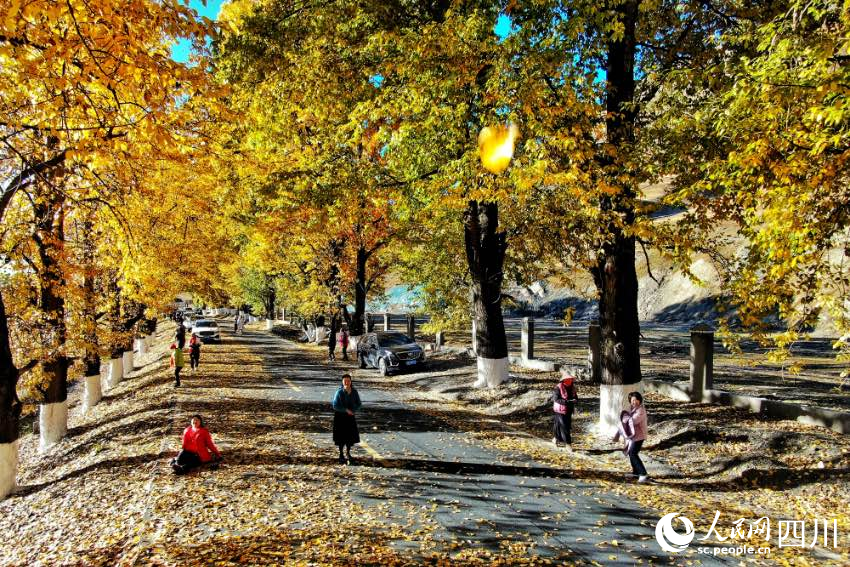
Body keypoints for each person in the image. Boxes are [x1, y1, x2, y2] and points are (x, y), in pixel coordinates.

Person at [615, 391, 649, 483]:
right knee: (631, 453)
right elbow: (627, 419)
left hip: (640, 436)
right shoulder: (632, 409)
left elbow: (633, 421)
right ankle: (636, 472)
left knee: (633, 453)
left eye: (636, 400)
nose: (634, 402)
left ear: (640, 400)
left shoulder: (640, 410)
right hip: (633, 436)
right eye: (632, 400)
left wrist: (624, 420)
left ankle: (643, 474)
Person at [331, 374, 361, 465]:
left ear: (351, 382)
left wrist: (354, 410)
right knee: (341, 437)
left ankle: (348, 453)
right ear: (342, 382)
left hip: (350, 417)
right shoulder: (339, 392)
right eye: (345, 381)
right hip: (340, 417)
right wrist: (346, 410)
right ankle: (341, 454)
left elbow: (359, 403)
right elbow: (335, 405)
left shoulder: (354, 392)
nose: (346, 382)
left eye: (348, 380)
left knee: (350, 436)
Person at [551, 371, 578, 449]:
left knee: (562, 426)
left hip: (569, 410)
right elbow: (555, 399)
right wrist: (566, 402)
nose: (570, 380)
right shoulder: (558, 387)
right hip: (560, 410)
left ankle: (555, 439)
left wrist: (575, 400)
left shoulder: (572, 387)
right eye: (568, 379)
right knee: (565, 427)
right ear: (564, 380)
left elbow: (576, 397)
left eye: (571, 379)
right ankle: (568, 444)